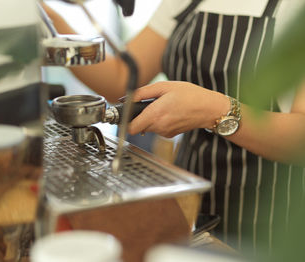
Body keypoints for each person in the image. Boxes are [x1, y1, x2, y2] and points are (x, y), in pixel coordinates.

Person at [43, 0, 305, 253]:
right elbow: (122, 78)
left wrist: (213, 110)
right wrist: (46, 18)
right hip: (192, 200)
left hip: (272, 216)